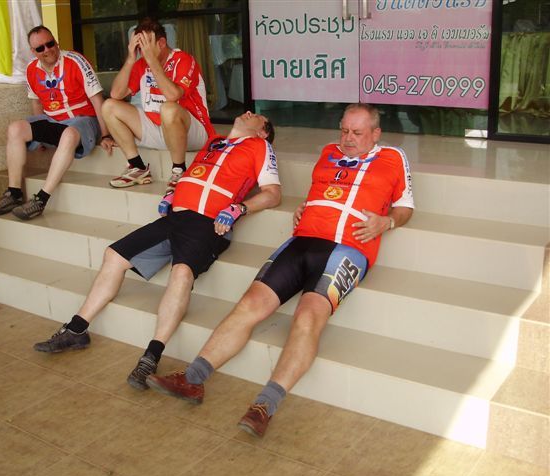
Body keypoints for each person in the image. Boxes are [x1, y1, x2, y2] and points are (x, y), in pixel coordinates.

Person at [146, 103, 414, 437]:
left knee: (307, 316)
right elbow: (325, 191)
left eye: (357, 133)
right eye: (344, 130)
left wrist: (387, 222)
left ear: (375, 133)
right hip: (301, 241)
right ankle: (193, 379)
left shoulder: (392, 157)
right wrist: (307, 207)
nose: (347, 138)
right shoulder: (329, 152)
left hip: (347, 248)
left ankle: (264, 405)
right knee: (250, 303)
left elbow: (405, 206)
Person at [33, 111, 280, 393]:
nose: (247, 112)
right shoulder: (215, 142)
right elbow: (197, 175)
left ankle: (151, 357)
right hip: (176, 216)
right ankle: (77, 329)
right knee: (114, 255)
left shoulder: (261, 147)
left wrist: (240, 208)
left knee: (182, 274)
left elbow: (273, 193)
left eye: (257, 116)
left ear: (263, 132)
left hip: (208, 223)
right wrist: (174, 193)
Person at [0, 25, 115, 221]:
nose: (47, 50)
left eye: (50, 44)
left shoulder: (76, 60)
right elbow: (36, 103)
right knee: (15, 129)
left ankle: (41, 199)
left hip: (83, 120)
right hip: (53, 120)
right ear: (33, 51)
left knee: (69, 134)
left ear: (56, 42)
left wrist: (105, 134)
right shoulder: (31, 69)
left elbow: (98, 100)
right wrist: (40, 138)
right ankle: (14, 193)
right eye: (40, 48)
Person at [103, 18, 215, 192]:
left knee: (168, 108)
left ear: (161, 43)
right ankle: (137, 167)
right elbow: (116, 94)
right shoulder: (140, 64)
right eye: (139, 46)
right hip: (158, 129)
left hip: (193, 132)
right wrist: (131, 58)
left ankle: (179, 170)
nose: (143, 51)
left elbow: (173, 95)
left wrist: (152, 63)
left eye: (146, 45)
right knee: (109, 106)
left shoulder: (184, 60)